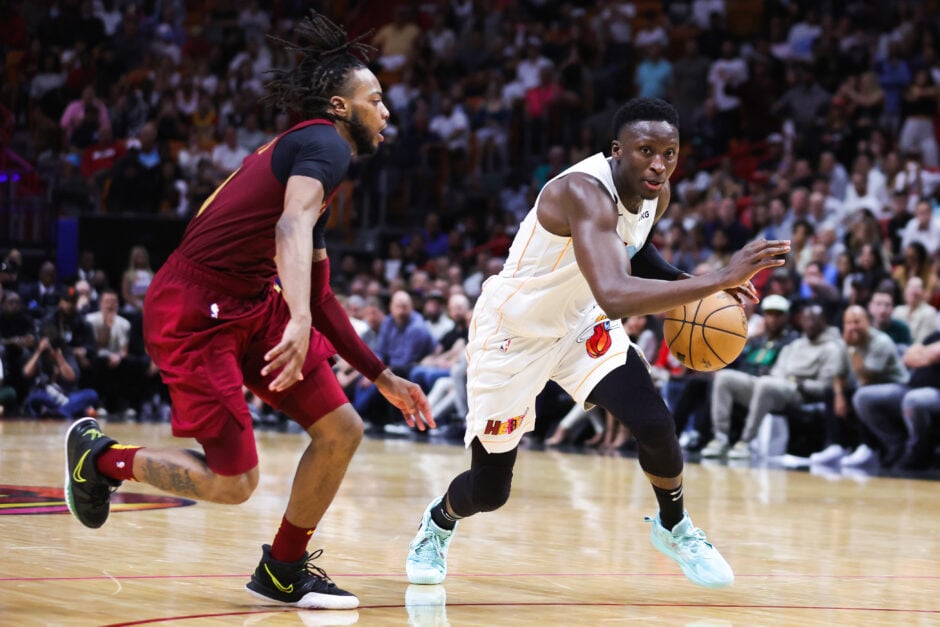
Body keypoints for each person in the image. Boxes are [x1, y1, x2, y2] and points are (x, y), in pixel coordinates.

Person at [64, 11, 432, 611]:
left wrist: (381, 375)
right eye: (376, 100)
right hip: (194, 309)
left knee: (341, 429)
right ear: (340, 106)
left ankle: (283, 570)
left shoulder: (314, 161)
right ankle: (101, 460)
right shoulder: (325, 144)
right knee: (234, 482)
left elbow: (319, 294)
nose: (386, 112)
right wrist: (298, 319)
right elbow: (290, 228)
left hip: (250, 300)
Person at [405, 98, 789, 589]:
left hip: (581, 322)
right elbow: (614, 292)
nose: (659, 164)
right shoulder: (581, 191)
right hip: (514, 333)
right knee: (489, 489)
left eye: (669, 153)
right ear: (617, 150)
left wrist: (688, 280)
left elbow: (632, 247)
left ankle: (675, 527)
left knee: (654, 423)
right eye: (646, 151)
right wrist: (716, 279)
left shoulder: (655, 193)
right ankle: (438, 523)